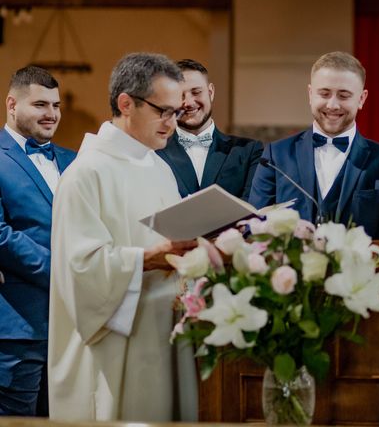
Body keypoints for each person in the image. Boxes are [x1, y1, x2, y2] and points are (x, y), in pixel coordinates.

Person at [48, 53, 198, 421]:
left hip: (163, 336)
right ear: (126, 104)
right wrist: (146, 258)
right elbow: (80, 269)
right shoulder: (85, 174)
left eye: (176, 113)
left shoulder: (159, 167)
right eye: (163, 111)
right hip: (111, 353)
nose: (171, 125)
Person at [249, 51, 379, 238]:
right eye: (324, 94)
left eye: (343, 95)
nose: (333, 105)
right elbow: (255, 230)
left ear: (362, 99)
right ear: (310, 94)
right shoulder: (275, 155)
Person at [0, 66, 76, 416]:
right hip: (19, 326)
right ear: (12, 105)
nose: (51, 114)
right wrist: (63, 271)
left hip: (75, 327)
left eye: (56, 105)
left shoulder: (74, 160)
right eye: (40, 104)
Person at [157, 59, 263, 200]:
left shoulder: (249, 150)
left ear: (210, 92)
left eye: (196, 92)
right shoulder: (155, 152)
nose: (188, 102)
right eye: (179, 95)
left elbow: (252, 207)